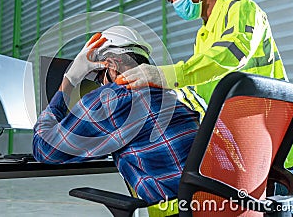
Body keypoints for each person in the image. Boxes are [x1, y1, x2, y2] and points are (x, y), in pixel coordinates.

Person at [115, 0, 293, 216]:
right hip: (240, 154)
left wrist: (162, 75)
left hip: (271, 144)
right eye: (171, 0)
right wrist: (163, 95)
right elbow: (202, 92)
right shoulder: (203, 37)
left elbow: (232, 54)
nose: (175, 3)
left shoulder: (241, 10)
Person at [32, 26, 200, 212]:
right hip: (213, 204)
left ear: (111, 64)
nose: (101, 83)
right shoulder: (169, 96)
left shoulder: (113, 98)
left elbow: (45, 149)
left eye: (99, 76)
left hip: (175, 210)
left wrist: (70, 79)